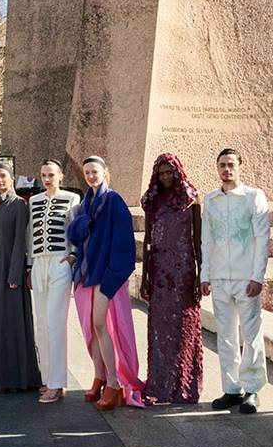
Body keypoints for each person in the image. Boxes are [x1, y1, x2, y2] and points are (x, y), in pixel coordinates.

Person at [67, 156, 145, 410]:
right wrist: (82, 223)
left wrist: (112, 277)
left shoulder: (114, 201)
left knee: (101, 324)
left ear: (104, 172)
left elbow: (124, 244)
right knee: (91, 326)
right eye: (87, 172)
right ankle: (99, 374)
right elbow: (76, 236)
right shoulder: (87, 204)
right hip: (88, 272)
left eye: (95, 171)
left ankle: (114, 382)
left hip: (107, 273)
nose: (91, 176)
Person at [200, 149, 270, 414]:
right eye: (222, 165)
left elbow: (262, 238)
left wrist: (257, 276)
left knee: (251, 333)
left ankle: (252, 389)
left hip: (245, 276)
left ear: (240, 167)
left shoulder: (254, 196)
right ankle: (232, 388)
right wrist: (205, 275)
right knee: (226, 335)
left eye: (231, 165)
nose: (226, 169)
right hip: (219, 277)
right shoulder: (212, 199)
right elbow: (207, 240)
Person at [140, 153, 203, 405]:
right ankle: (160, 383)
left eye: (170, 172)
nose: (166, 177)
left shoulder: (191, 198)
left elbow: (197, 238)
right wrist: (144, 276)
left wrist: (200, 273)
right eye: (162, 173)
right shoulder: (152, 201)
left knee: (184, 328)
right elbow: (147, 240)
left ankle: (185, 385)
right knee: (160, 329)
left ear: (178, 171)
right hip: (159, 271)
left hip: (184, 271)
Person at [0, 163, 42, 393]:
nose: (0, 180)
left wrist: (15, 273)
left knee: (11, 322)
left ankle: (16, 378)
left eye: (3, 176)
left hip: (10, 272)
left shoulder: (18, 205)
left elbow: (19, 242)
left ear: (12, 178)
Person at [27, 160, 80, 404]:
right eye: (43, 175)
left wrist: (72, 256)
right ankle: (48, 378)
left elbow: (76, 230)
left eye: (51, 175)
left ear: (60, 175)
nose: (47, 179)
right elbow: (30, 235)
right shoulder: (34, 201)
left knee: (56, 323)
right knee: (41, 324)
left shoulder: (72, 199)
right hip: (38, 263)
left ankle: (58, 383)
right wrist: (29, 265)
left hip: (60, 262)